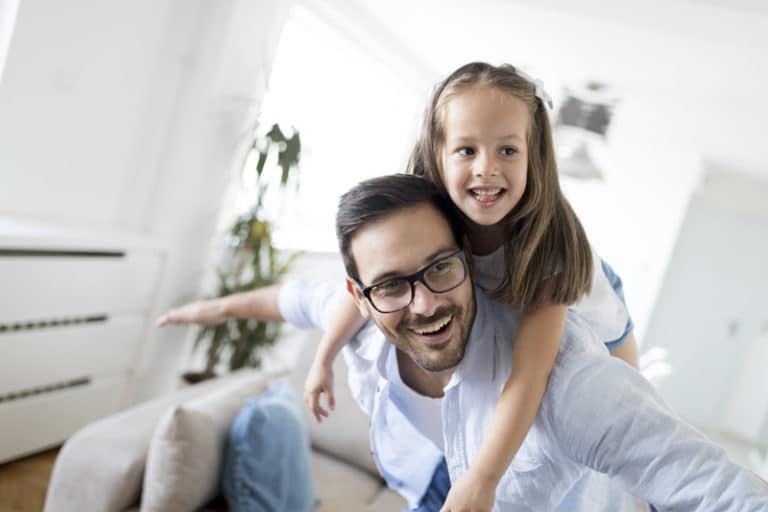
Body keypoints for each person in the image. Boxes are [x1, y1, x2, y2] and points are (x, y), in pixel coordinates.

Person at [158, 174, 768, 510]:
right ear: (359, 293)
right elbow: (281, 300)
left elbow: (719, 491)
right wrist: (206, 310)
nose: (424, 304)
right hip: (430, 487)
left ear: (471, 259)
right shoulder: (360, 329)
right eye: (392, 285)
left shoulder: (563, 379)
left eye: (440, 268)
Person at [302, 62, 638, 511]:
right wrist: (324, 358)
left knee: (625, 423)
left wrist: (482, 479)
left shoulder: (549, 249)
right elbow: (371, 283)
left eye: (507, 151)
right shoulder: (428, 214)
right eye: (466, 150)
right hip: (502, 285)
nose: (486, 169)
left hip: (605, 321)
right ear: (437, 154)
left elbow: (530, 372)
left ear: (533, 157)